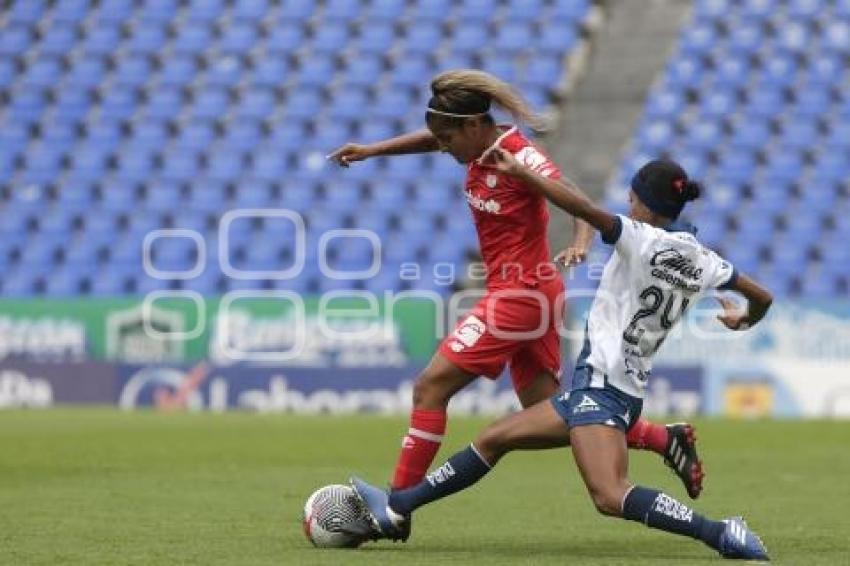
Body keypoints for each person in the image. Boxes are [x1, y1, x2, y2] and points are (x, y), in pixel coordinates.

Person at [329, 70, 703, 528]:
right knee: (552, 412)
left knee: (431, 387)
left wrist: (583, 239)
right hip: (530, 292)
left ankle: (395, 506)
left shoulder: (518, 154)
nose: (443, 147)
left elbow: (572, 196)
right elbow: (432, 139)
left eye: (448, 138)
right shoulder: (473, 143)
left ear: (473, 127)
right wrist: (373, 151)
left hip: (520, 294)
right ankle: (664, 439)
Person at [351, 156, 773, 561]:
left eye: (632, 198)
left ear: (645, 204)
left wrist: (524, 174)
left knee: (610, 494)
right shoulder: (705, 260)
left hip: (603, 391)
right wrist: (744, 319)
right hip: (615, 389)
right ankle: (396, 507)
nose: (627, 204)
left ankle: (719, 531)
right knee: (493, 439)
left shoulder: (641, 239)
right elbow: (762, 297)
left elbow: (584, 209)